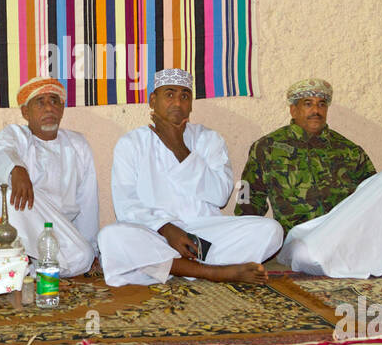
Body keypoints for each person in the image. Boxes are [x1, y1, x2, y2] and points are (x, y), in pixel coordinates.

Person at [97, 68, 283, 286]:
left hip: (203, 235)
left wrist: (179, 148)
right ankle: (215, 272)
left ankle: (169, 267)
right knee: (111, 237)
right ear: (152, 101)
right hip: (157, 234)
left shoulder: (209, 139)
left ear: (191, 104)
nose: (177, 102)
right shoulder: (131, 143)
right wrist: (167, 229)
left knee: (271, 231)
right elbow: (126, 204)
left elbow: (221, 196)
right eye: (169, 94)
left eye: (184, 96)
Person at [236, 77, 382, 277]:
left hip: (343, 233)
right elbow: (249, 197)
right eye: (308, 104)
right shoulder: (267, 148)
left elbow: (375, 206)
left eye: (322, 104)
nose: (316, 110)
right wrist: (247, 249)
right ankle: (368, 260)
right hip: (300, 238)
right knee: (307, 255)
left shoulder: (348, 150)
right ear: (293, 110)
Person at [0, 77, 99, 275]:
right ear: (25, 112)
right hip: (23, 217)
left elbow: (88, 201)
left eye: (54, 101)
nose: (49, 108)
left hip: (57, 227)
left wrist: (92, 247)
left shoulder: (77, 144)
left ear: (62, 109)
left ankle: (25, 268)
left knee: (83, 256)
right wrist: (16, 169)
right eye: (40, 102)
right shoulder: (17, 135)